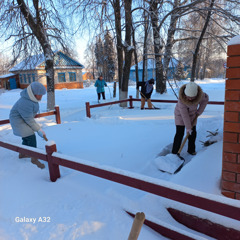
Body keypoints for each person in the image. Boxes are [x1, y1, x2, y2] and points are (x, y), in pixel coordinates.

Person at [9, 82, 47, 169]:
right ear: (33, 93)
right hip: (18, 121)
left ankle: (23, 154)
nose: (41, 96)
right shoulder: (25, 102)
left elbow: (29, 115)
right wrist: (38, 130)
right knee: (30, 137)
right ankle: (34, 159)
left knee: (26, 137)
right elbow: (29, 119)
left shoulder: (31, 99)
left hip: (23, 119)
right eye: (39, 94)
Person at [172, 82, 209, 155]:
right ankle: (175, 152)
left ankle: (191, 150)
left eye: (192, 97)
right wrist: (188, 128)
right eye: (188, 96)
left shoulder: (201, 95)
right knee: (180, 133)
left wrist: (199, 112)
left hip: (193, 115)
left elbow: (205, 99)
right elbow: (184, 115)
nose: (190, 99)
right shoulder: (181, 100)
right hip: (180, 115)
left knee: (193, 133)